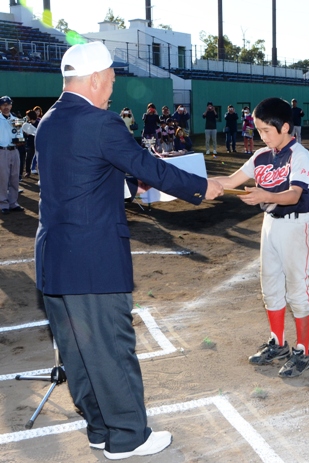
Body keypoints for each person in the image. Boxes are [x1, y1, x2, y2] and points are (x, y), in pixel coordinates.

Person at [34, 41, 224, 459]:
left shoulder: (49, 120)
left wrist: (122, 181)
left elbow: (79, 174)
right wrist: (203, 186)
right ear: (95, 79)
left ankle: (100, 429)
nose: (112, 89)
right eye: (111, 80)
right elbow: (149, 166)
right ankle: (127, 437)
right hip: (93, 259)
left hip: (54, 258)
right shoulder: (101, 123)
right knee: (110, 349)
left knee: (78, 353)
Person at [213, 97, 309, 378]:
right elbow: (230, 181)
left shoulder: (299, 155)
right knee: (270, 287)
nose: (262, 136)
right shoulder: (260, 156)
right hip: (270, 226)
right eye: (258, 131)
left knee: (297, 291)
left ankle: (303, 352)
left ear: (285, 127)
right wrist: (195, 183)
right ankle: (278, 343)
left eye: (266, 130)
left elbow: (294, 195)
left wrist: (264, 195)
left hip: (295, 227)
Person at [0, 95, 24, 215]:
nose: (6, 107)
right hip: (2, 151)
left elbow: (20, 135)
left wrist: (20, 141)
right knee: (3, 178)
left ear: (11, 105)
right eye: (3, 105)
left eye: (8, 104)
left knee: (14, 177)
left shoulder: (16, 119)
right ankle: (3, 203)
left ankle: (13, 202)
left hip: (14, 150)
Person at [22, 109, 39, 178]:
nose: (27, 117)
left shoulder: (38, 123)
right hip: (30, 143)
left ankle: (39, 170)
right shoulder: (27, 124)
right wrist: (26, 134)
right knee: (28, 157)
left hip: (37, 142)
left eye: (27, 116)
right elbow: (24, 133)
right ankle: (27, 171)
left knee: (39, 157)